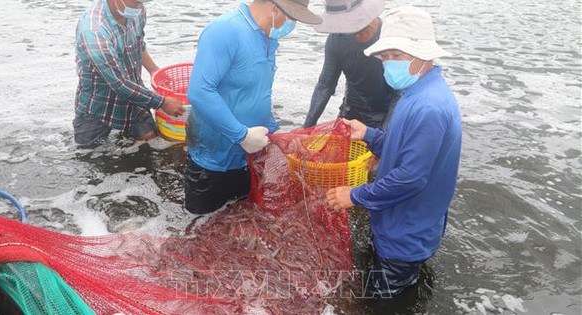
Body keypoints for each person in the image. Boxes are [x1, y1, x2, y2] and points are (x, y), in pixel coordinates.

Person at [326, 6, 462, 298]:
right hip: (404, 222)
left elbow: (410, 178)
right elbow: (404, 148)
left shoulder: (428, 107)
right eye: (385, 57)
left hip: (405, 236)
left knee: (380, 302)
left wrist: (354, 195)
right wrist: (370, 135)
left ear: (423, 54)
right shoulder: (416, 92)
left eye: (397, 56)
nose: (389, 63)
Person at [185, 0, 321, 215]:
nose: (293, 25)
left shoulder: (267, 38)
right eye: (292, 17)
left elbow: (257, 92)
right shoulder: (225, 30)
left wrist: (274, 131)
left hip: (250, 156)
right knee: (202, 224)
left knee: (242, 217)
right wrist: (241, 135)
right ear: (275, 9)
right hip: (213, 158)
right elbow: (199, 92)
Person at [73, 0, 186, 148]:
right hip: (99, 105)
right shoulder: (94, 31)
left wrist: (153, 69)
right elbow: (119, 83)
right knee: (88, 155)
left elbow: (138, 43)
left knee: (148, 141)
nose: (139, 8)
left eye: (141, 3)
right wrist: (162, 102)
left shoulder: (137, 10)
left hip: (135, 97)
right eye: (134, 3)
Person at [303, 0, 393, 129]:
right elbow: (325, 85)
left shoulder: (389, 38)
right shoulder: (337, 38)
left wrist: (385, 132)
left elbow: (400, 93)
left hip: (385, 114)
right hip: (350, 113)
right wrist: (307, 127)